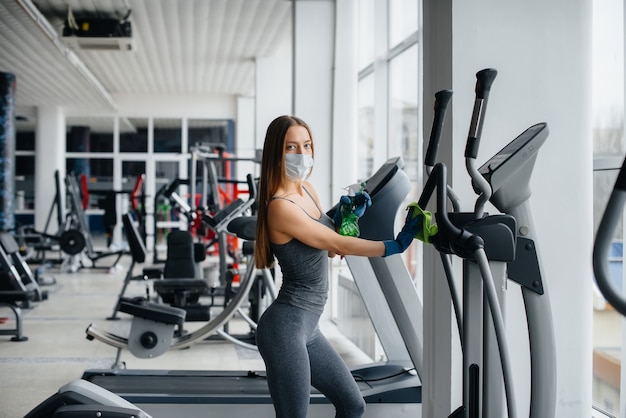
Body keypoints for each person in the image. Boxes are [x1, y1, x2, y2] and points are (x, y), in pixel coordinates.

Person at [254, 115, 424, 418]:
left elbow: (330, 248)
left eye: (306, 145)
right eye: (291, 147)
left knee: (353, 405)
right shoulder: (280, 207)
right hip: (285, 328)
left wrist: (349, 215)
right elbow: (339, 246)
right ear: (275, 153)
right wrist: (394, 246)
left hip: (309, 328)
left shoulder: (306, 190)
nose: (302, 154)